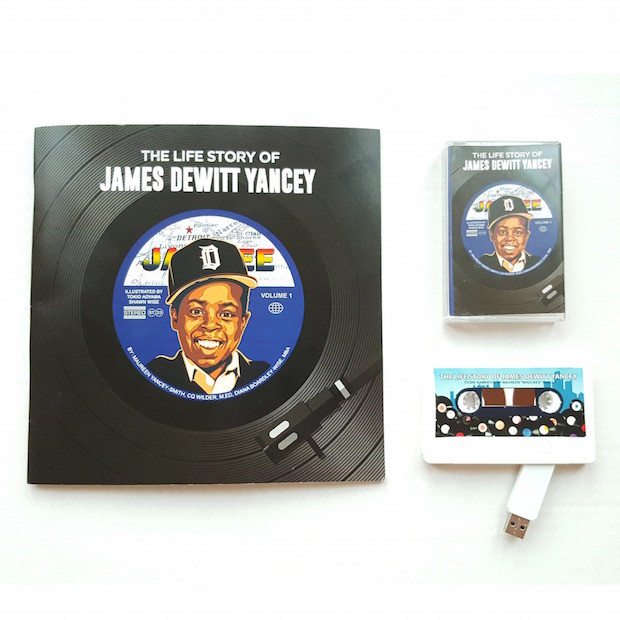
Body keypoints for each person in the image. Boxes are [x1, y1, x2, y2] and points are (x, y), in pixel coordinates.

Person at [147, 238, 269, 394]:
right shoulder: (154, 374)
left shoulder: (265, 375)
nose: (210, 325)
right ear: (174, 317)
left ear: (243, 322)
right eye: (196, 311)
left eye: (226, 314)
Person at [479, 195, 540, 273]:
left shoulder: (538, 263)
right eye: (502, 232)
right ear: (492, 235)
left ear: (526, 236)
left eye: (517, 232)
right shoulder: (481, 264)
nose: (510, 238)